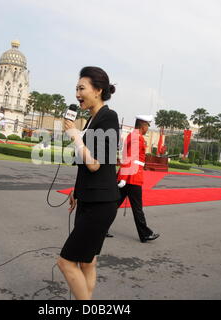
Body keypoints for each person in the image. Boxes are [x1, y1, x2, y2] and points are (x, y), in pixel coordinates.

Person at [58, 66, 120, 300]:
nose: (77, 94)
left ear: (98, 90)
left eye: (81, 88)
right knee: (87, 261)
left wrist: (74, 136)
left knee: (65, 262)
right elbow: (86, 166)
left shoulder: (108, 117)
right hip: (88, 198)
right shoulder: (92, 120)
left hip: (101, 203)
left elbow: (95, 164)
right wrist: (77, 190)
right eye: (76, 88)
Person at [106, 115, 160, 243]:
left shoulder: (134, 136)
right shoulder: (137, 137)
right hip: (132, 177)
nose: (148, 128)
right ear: (142, 125)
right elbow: (129, 158)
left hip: (129, 176)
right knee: (137, 208)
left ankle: (100, 228)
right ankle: (145, 234)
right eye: (147, 125)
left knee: (114, 205)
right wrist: (123, 178)